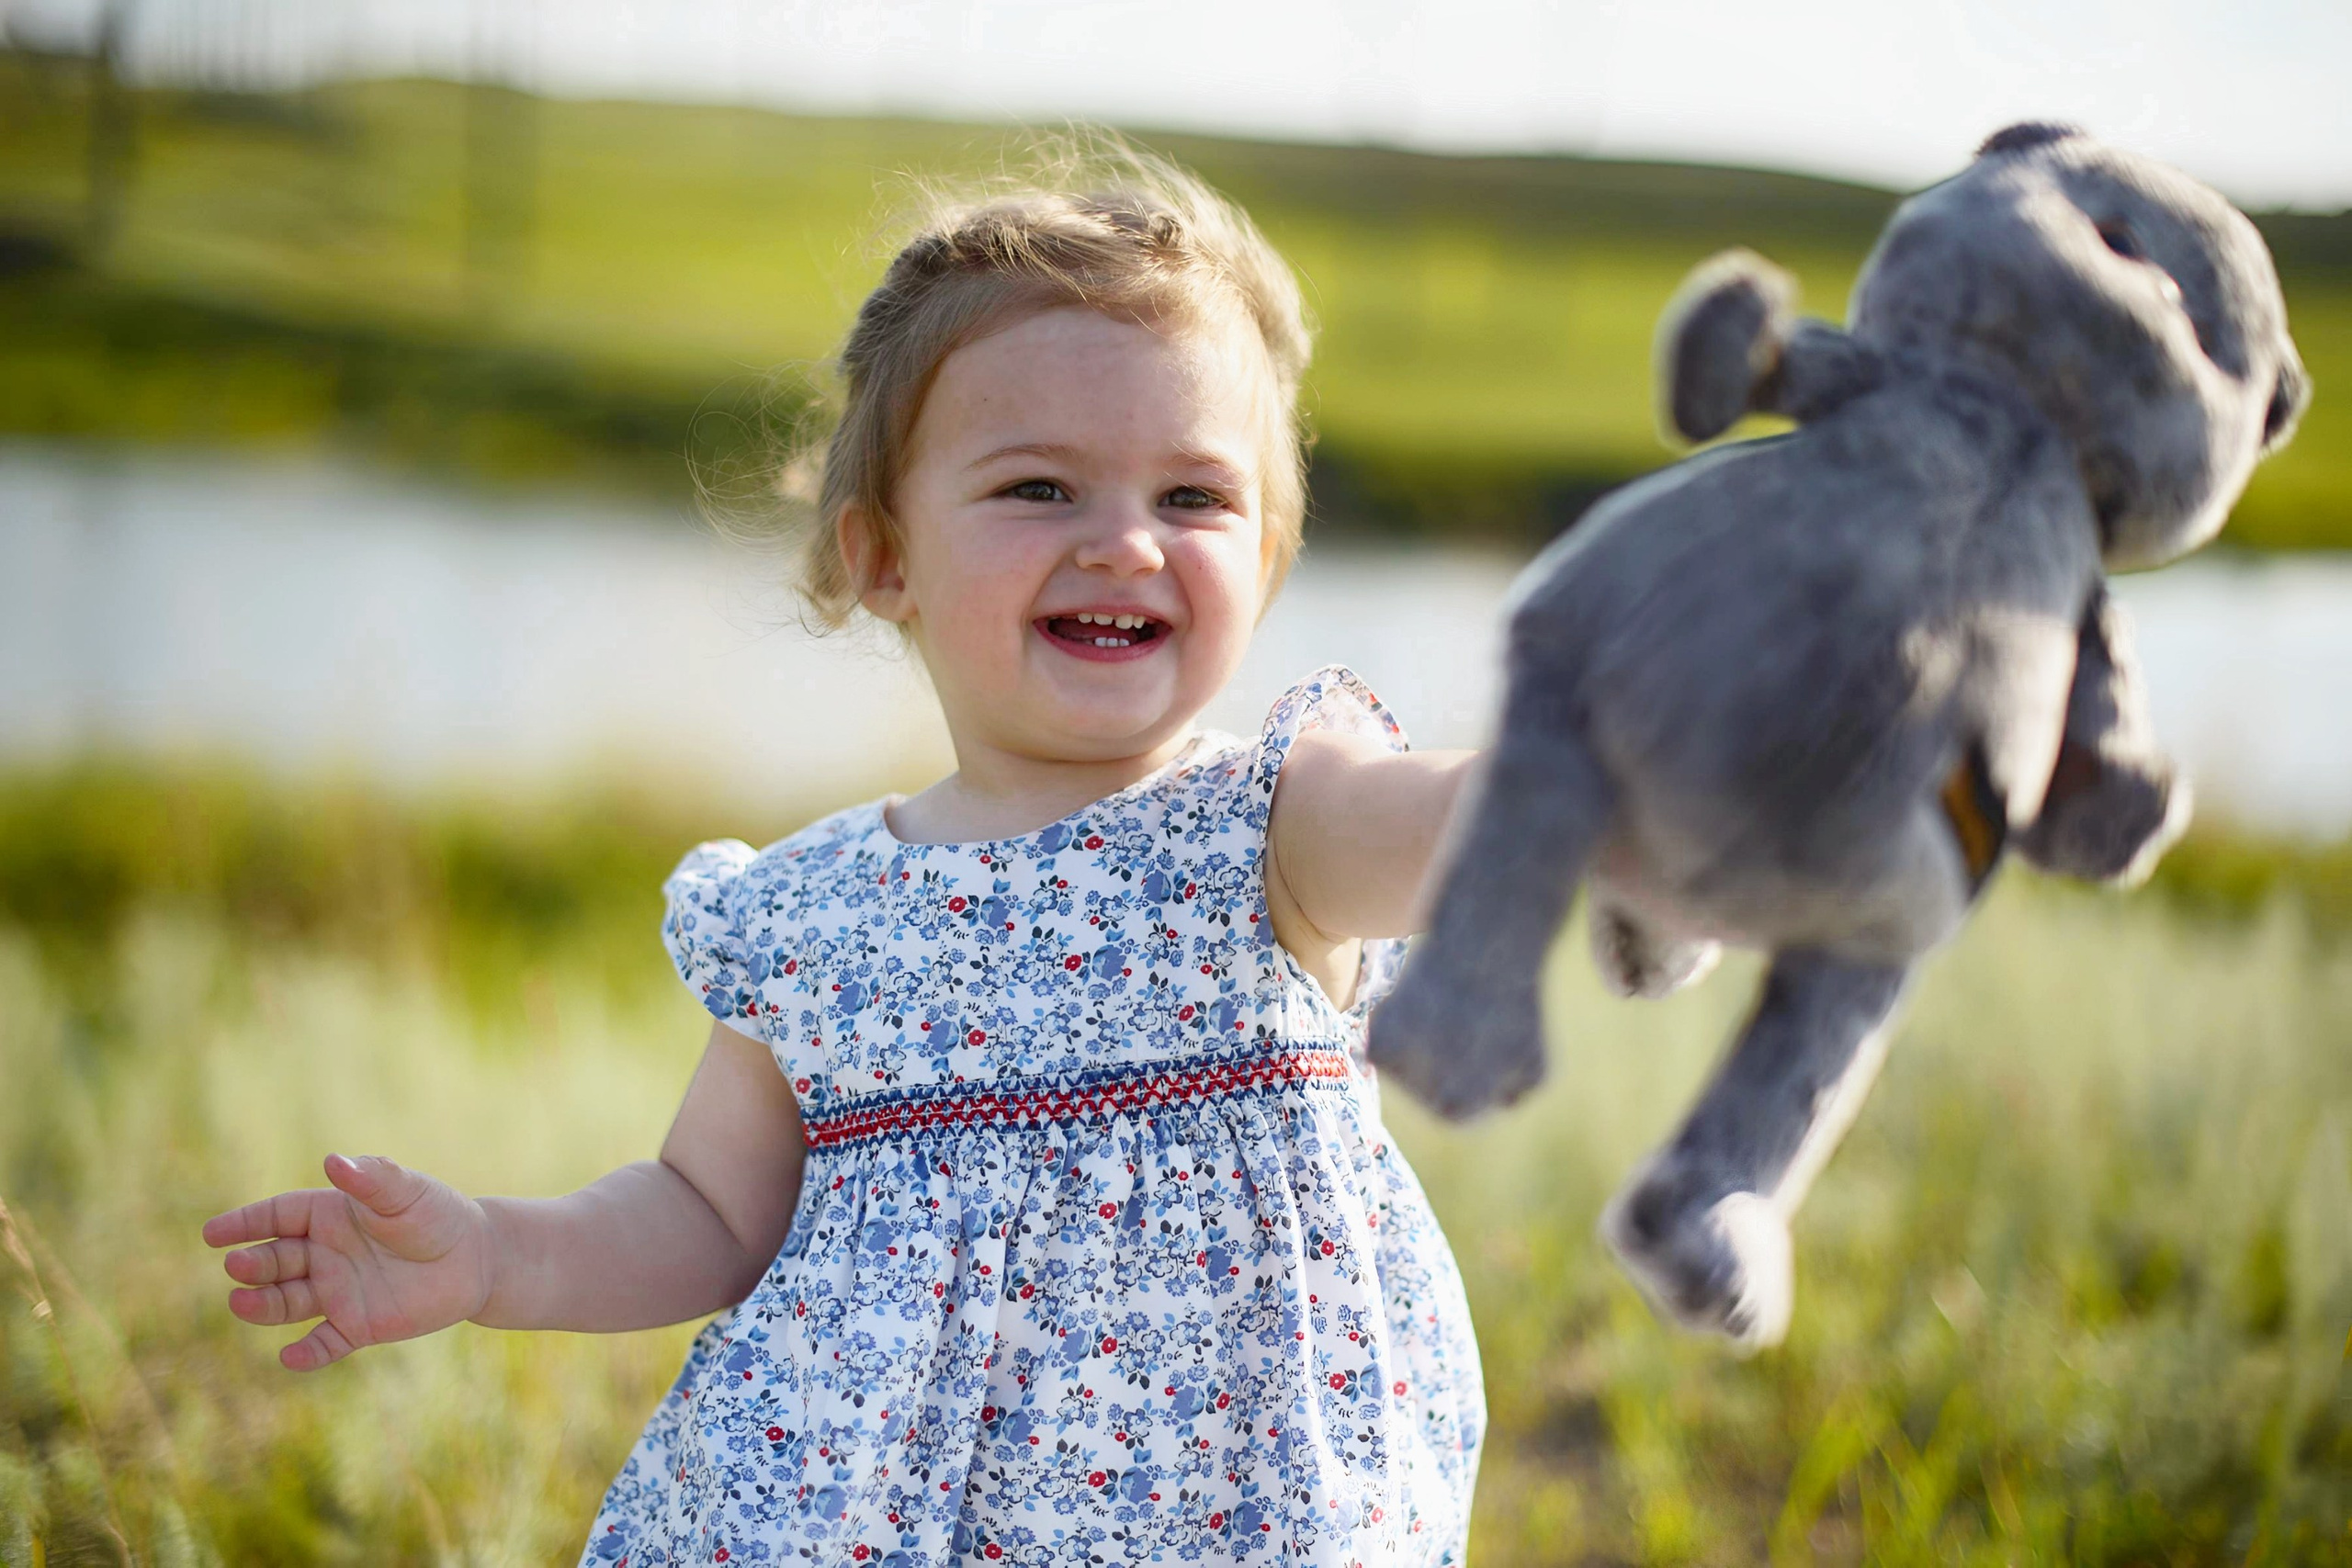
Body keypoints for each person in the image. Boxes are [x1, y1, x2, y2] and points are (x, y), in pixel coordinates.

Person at [202, 144, 1488, 1567]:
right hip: (877, 1525)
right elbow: (706, 1211)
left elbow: (1463, 831)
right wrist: (498, 1254)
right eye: (1040, 489)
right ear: (885, 559)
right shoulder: (815, 916)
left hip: (1236, 1520)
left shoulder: (1280, 828)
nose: (1126, 543)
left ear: (1267, 555)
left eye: (1193, 499)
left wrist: (1647, 769)